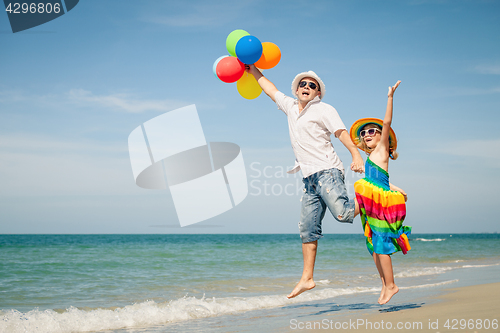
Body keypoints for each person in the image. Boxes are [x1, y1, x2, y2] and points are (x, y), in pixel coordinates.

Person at [246, 65, 364, 299]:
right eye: (303, 84)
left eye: (313, 85)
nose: (307, 87)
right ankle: (307, 278)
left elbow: (341, 132)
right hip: (309, 177)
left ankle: (375, 196)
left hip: (328, 171)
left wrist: (356, 154)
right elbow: (270, 90)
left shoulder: (324, 109)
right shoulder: (290, 107)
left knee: (344, 214)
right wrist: (253, 71)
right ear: (297, 89)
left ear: (318, 92)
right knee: (307, 229)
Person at [349, 80, 411, 305]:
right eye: (364, 133)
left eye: (371, 131)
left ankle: (392, 284)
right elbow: (382, 178)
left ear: (381, 136)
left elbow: (387, 122)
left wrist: (390, 97)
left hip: (380, 202)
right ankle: (385, 284)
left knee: (381, 243)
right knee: (373, 246)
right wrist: (396, 187)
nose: (367, 134)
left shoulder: (383, 148)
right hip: (371, 200)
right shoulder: (369, 158)